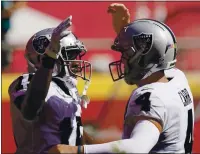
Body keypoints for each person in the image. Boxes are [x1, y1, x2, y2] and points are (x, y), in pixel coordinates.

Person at [48, 3, 194, 154]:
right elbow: (151, 56)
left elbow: (137, 148)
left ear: (144, 57)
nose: (122, 61)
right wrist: (127, 32)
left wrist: (76, 151)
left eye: (126, 54)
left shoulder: (151, 97)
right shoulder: (177, 78)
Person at [8, 16, 92, 154]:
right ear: (42, 58)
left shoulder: (67, 89)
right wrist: (50, 59)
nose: (76, 62)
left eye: (76, 55)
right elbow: (30, 110)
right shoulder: (25, 81)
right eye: (70, 55)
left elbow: (75, 135)